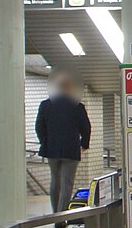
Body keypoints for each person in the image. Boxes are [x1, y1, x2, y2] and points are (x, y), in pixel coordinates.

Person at [34, 73, 91, 213]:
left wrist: (45, 142)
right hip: (71, 149)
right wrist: (83, 144)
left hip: (51, 149)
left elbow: (39, 126)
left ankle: (55, 213)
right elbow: (86, 128)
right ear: (70, 89)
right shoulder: (78, 106)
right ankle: (62, 214)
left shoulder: (45, 105)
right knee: (67, 183)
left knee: (55, 180)